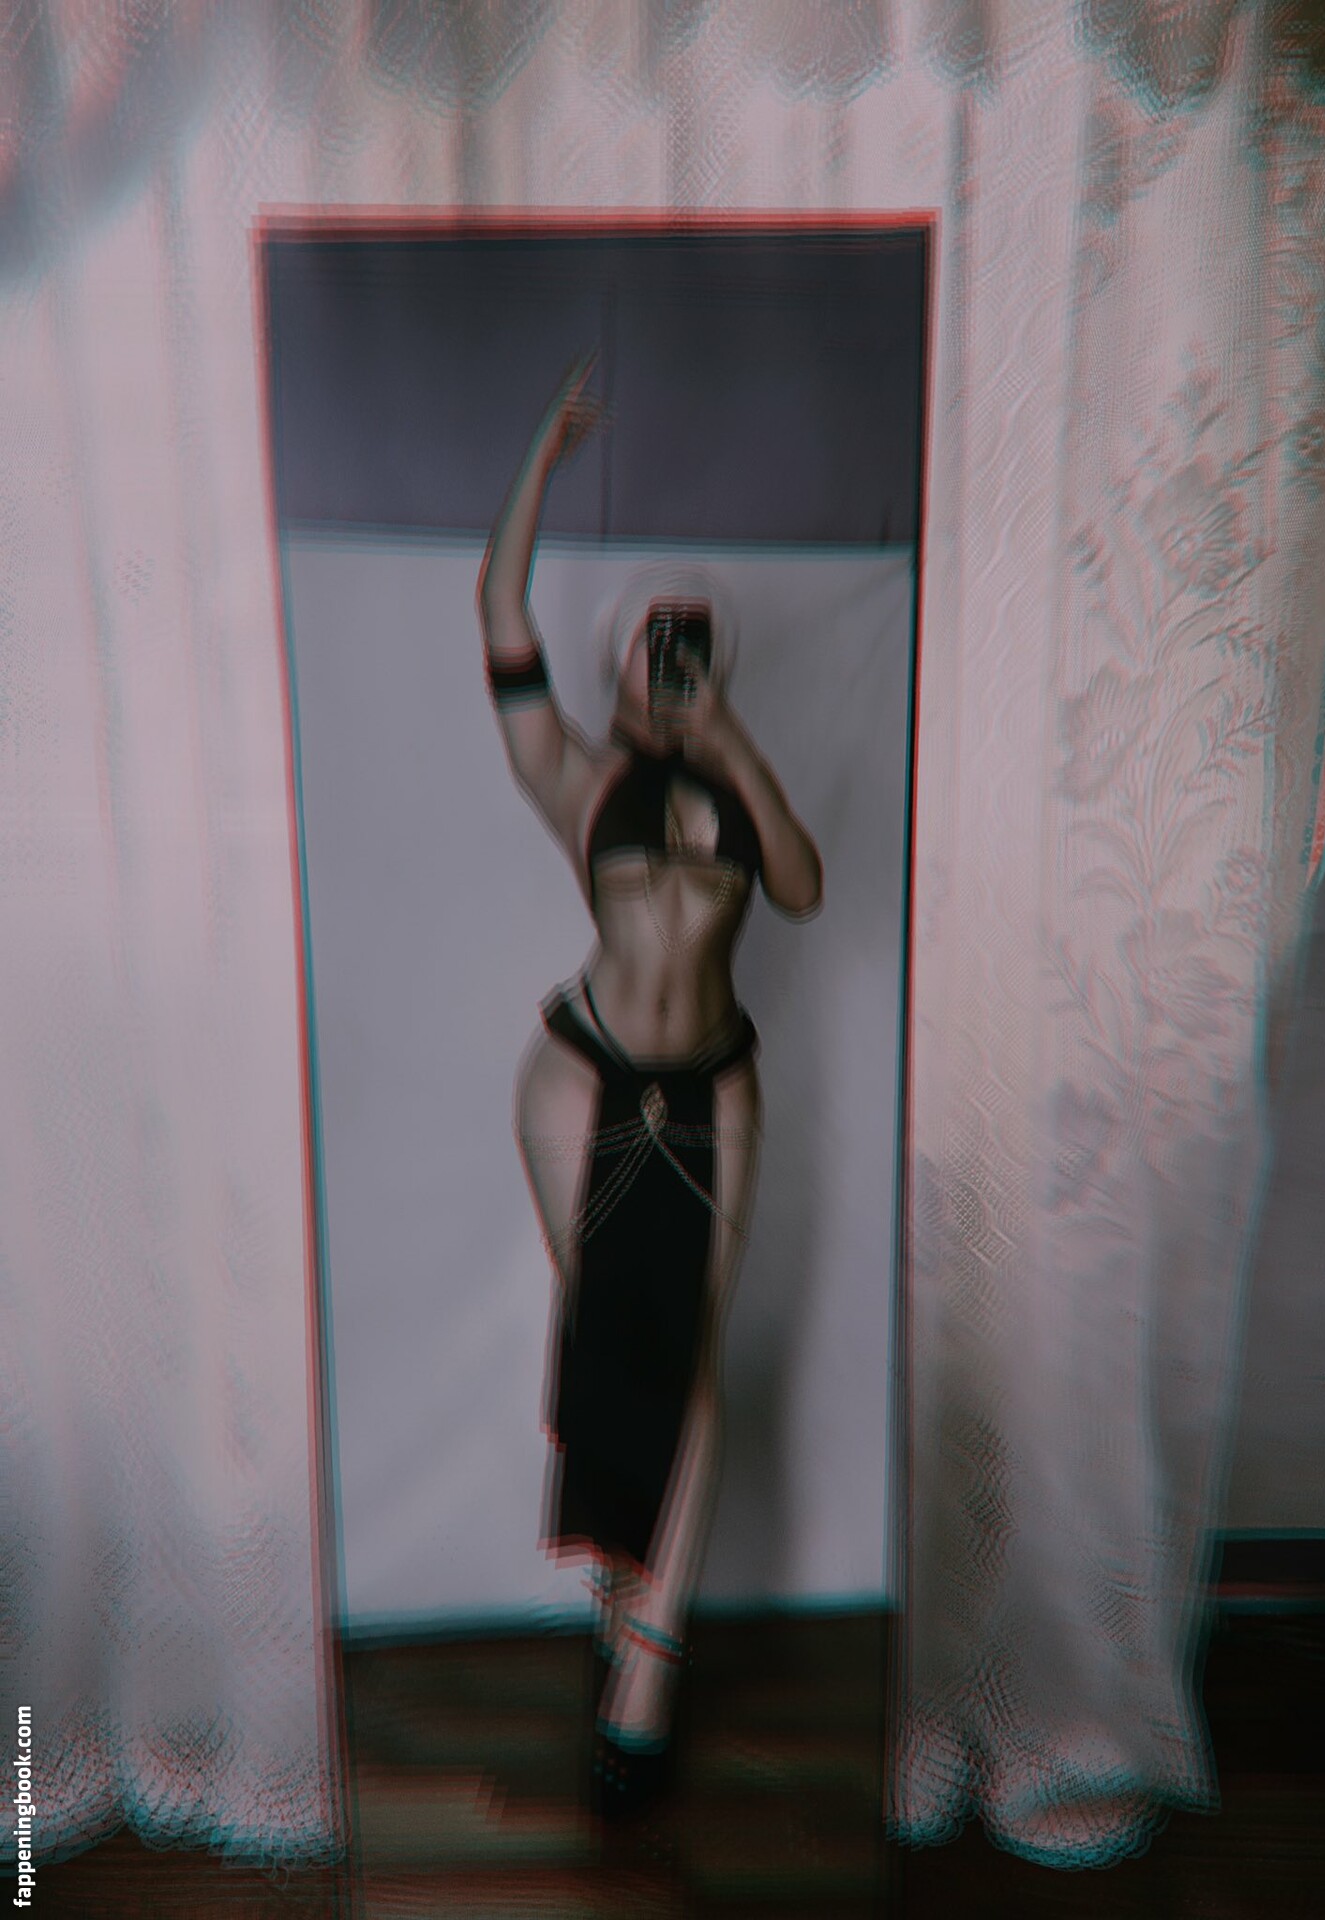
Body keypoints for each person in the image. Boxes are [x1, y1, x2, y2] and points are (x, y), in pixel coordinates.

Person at [478, 355, 823, 1818]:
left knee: (686, 1362)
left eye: (696, 641)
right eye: (653, 643)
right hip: (583, 1083)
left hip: (715, 1089)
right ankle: (627, 1618)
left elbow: (799, 886)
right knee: (618, 1345)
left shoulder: (738, 783)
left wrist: (725, 734)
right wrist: (540, 464)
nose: (673, 659)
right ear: (619, 663)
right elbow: (500, 617)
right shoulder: (578, 783)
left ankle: (646, 1660)